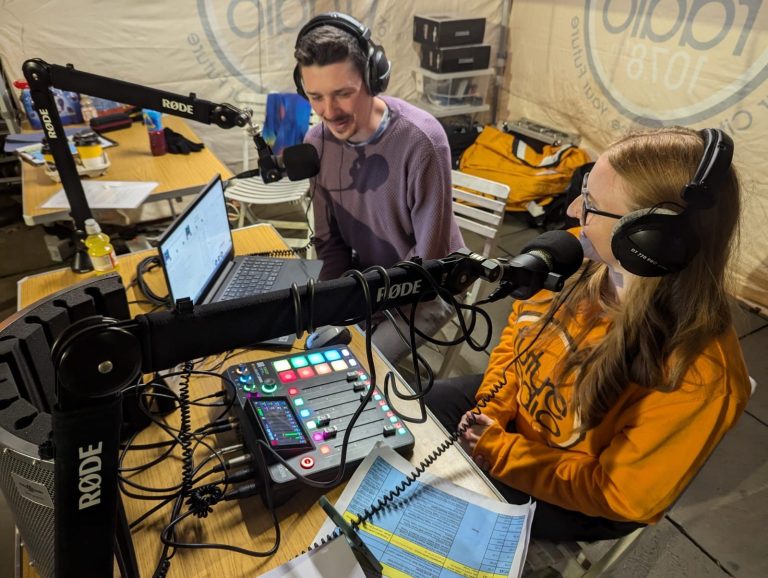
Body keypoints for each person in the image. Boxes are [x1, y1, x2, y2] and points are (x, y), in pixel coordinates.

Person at [425, 126, 752, 541]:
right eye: (583, 190)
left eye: (592, 205)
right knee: (412, 417)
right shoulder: (577, 261)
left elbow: (617, 493)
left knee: (444, 510)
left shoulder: (700, 378)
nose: (573, 210)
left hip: (583, 492)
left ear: (649, 242)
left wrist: (498, 450)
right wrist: (495, 408)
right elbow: (518, 340)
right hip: (516, 421)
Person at [293, 12, 465, 362]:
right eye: (315, 97)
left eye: (343, 94)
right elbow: (329, 244)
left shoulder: (422, 141)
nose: (329, 111)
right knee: (302, 345)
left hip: (431, 286)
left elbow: (428, 260)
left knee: (352, 365)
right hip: (371, 280)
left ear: (373, 79)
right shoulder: (317, 143)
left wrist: (365, 310)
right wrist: (331, 307)